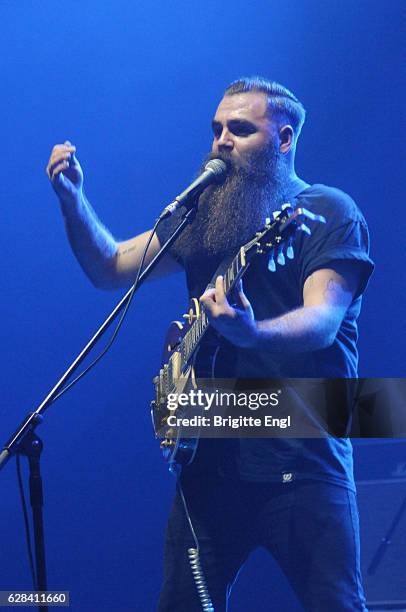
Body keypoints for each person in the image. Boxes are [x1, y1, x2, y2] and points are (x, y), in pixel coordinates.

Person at [47, 76, 374, 611]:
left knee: (335, 604)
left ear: (285, 139)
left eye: (240, 129)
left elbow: (323, 321)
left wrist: (252, 331)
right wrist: (73, 201)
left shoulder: (328, 211)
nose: (222, 140)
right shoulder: (203, 215)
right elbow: (109, 269)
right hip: (211, 464)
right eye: (217, 128)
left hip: (304, 460)